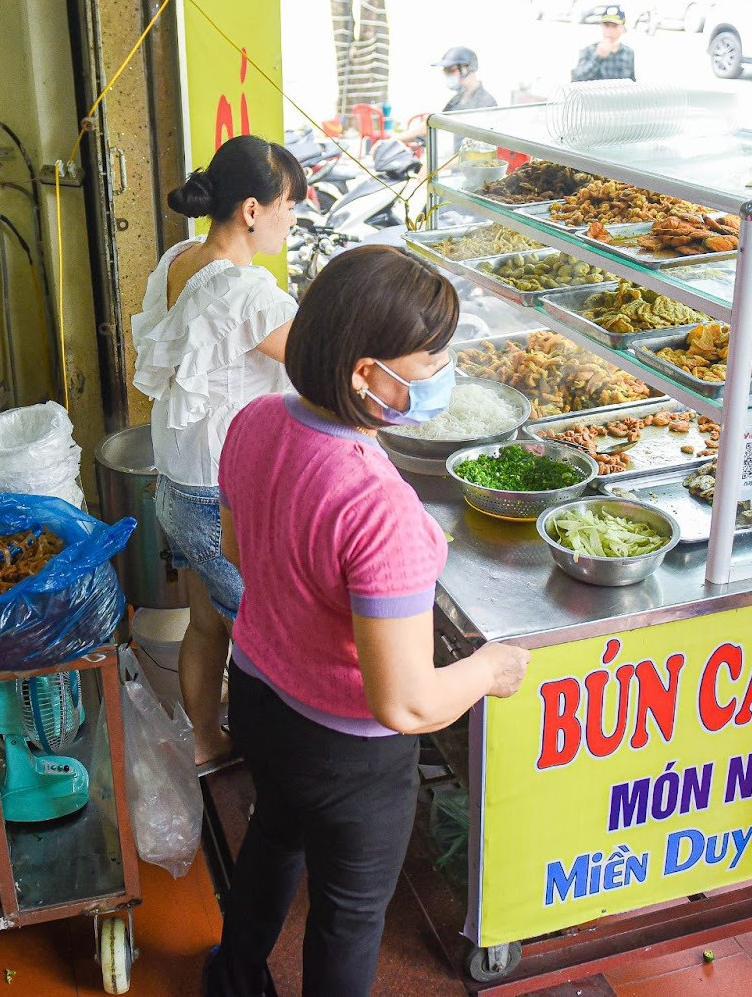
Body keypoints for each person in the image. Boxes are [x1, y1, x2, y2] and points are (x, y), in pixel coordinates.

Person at [203, 247, 530, 996]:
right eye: (433, 358)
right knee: (348, 917)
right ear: (365, 374)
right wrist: (490, 668)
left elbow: (236, 549)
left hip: (256, 691)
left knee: (273, 834)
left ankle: (232, 978)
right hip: (344, 752)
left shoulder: (254, 420)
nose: (445, 371)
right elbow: (405, 702)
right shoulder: (379, 506)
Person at [131, 134, 305, 767]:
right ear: (253, 210)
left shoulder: (179, 258)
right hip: (219, 499)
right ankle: (274, 780)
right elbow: (319, 374)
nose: (293, 219)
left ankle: (207, 742)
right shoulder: (251, 296)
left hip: (177, 485)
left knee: (207, 622)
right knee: (265, 645)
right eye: (290, 205)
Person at [398, 46, 497, 145]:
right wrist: (394, 140)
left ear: (467, 69)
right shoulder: (457, 99)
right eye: (445, 71)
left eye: (451, 70)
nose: (447, 75)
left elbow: (477, 148)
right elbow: (436, 123)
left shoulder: (485, 104)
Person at [572, 6, 636, 82]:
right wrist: (598, 56)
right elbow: (576, 79)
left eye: (614, 26)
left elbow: (632, 81)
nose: (610, 30)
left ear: (622, 28)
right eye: (607, 25)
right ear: (602, 26)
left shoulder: (628, 52)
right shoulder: (588, 50)